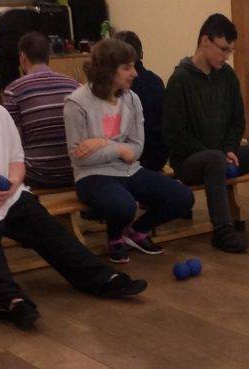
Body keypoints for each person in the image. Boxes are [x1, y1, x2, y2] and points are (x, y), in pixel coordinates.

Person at [0, 40, 147, 331]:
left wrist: (13, 183)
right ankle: (10, 302)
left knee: (53, 234)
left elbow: (17, 160)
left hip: (9, 197)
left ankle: (102, 279)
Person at [163, 13, 249, 253]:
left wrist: (230, 148)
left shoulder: (227, 76)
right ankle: (223, 229)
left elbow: (237, 121)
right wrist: (216, 153)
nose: (226, 56)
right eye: (223, 49)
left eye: (230, 51)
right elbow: (174, 134)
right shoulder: (180, 79)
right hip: (190, 160)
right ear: (205, 42)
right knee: (213, 159)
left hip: (221, 154)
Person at [65, 38, 193, 263]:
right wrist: (119, 149)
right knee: (124, 205)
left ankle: (137, 231)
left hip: (129, 170)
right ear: (107, 70)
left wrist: (103, 143)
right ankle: (115, 238)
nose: (134, 73)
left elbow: (136, 149)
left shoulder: (132, 99)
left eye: (133, 65)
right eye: (127, 67)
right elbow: (80, 156)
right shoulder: (76, 103)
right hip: (92, 176)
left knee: (182, 197)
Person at [1, 32, 80, 189]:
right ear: (48, 55)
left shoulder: (14, 90)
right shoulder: (74, 85)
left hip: (38, 175)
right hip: (76, 171)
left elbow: (12, 141)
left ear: (22, 57)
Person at [113, 30, 169, 172]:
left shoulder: (119, 86)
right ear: (141, 53)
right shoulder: (156, 81)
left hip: (135, 158)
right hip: (159, 155)